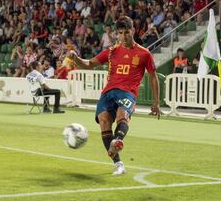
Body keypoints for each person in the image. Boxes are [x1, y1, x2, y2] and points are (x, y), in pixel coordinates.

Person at [67, 16, 160, 175]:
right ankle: (118, 164)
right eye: (120, 33)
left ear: (133, 31)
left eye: (126, 32)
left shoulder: (144, 54)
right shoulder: (111, 51)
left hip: (128, 92)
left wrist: (156, 102)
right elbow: (89, 64)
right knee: (104, 121)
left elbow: (153, 75)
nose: (123, 36)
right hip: (108, 92)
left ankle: (117, 140)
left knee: (122, 115)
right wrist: (76, 58)